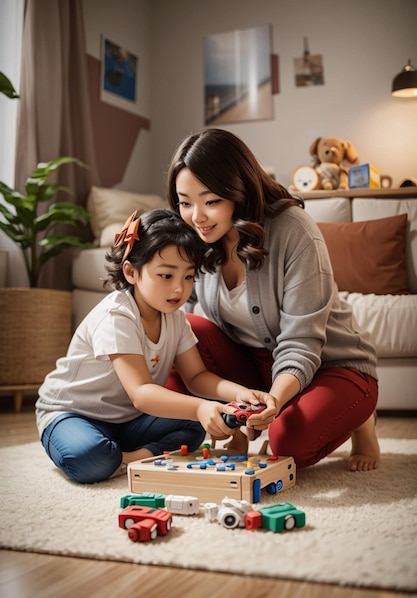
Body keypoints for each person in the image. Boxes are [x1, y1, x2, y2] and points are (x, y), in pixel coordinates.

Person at [165, 128, 380, 472]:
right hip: (257, 368)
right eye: (185, 202)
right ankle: (246, 425)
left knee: (286, 445)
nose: (197, 217)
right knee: (182, 329)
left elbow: (301, 341)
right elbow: (181, 320)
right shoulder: (196, 237)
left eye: (210, 201)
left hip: (330, 365)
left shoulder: (293, 229)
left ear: (238, 191)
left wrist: (275, 402)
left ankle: (362, 418)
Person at [35, 209, 276, 484]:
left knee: (194, 427)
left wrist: (240, 394)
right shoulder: (116, 316)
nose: (179, 289)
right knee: (90, 458)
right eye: (166, 276)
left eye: (188, 277)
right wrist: (200, 407)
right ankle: (123, 456)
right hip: (73, 413)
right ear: (131, 272)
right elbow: (141, 393)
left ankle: (124, 456)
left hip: (128, 421)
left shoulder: (175, 317)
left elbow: (197, 377)